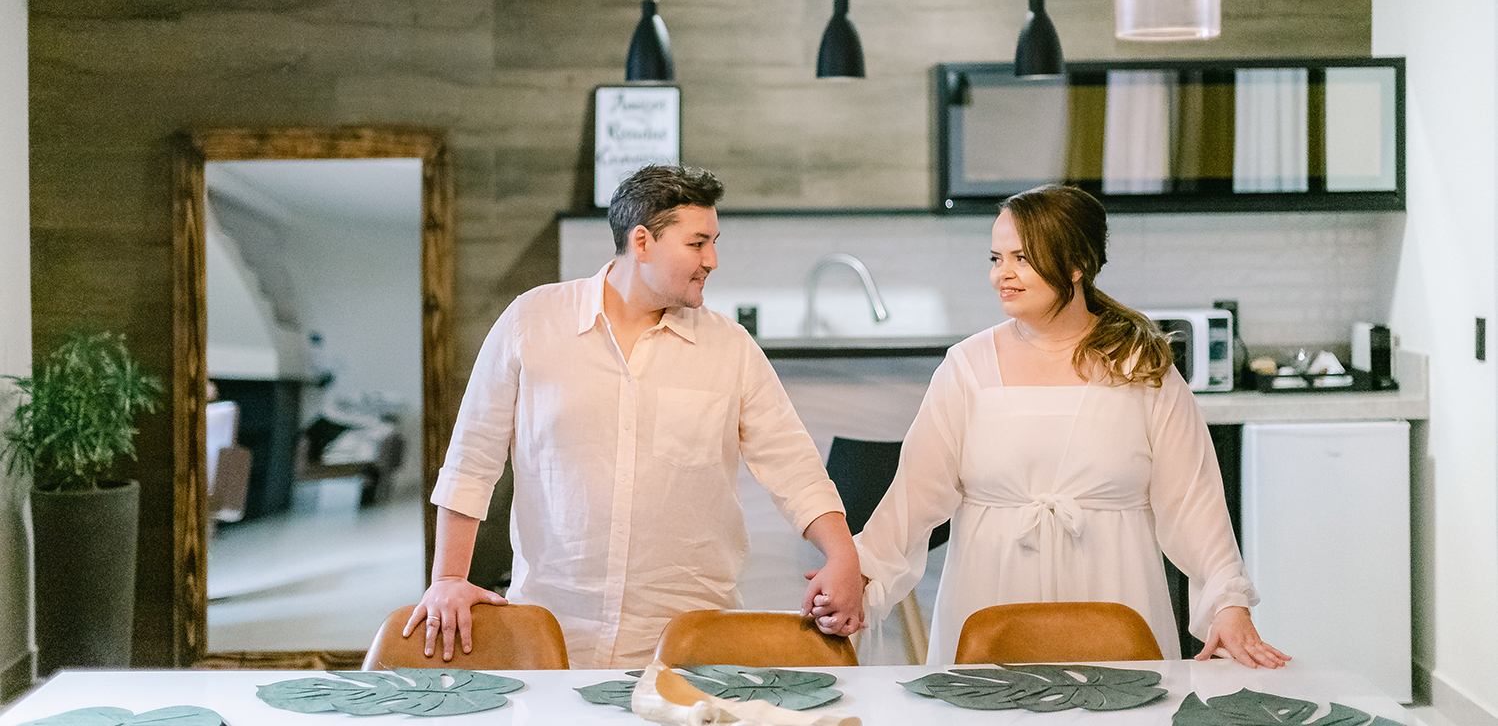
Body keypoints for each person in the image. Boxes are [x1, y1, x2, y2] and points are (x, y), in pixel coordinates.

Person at [406, 165, 865, 668]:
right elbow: (472, 460)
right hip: (553, 635)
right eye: (697, 243)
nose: (712, 259)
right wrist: (448, 579)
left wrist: (842, 554)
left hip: (691, 640)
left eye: (714, 242)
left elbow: (793, 466)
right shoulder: (530, 322)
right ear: (642, 241)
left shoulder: (730, 348)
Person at [821, 184, 1287, 668]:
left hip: (1119, 603)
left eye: (1021, 258)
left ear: (1074, 264)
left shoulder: (1142, 367)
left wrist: (1227, 604)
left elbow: (1195, 503)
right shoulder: (967, 366)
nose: (1002, 274)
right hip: (989, 603)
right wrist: (860, 575)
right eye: (996, 258)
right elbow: (913, 497)